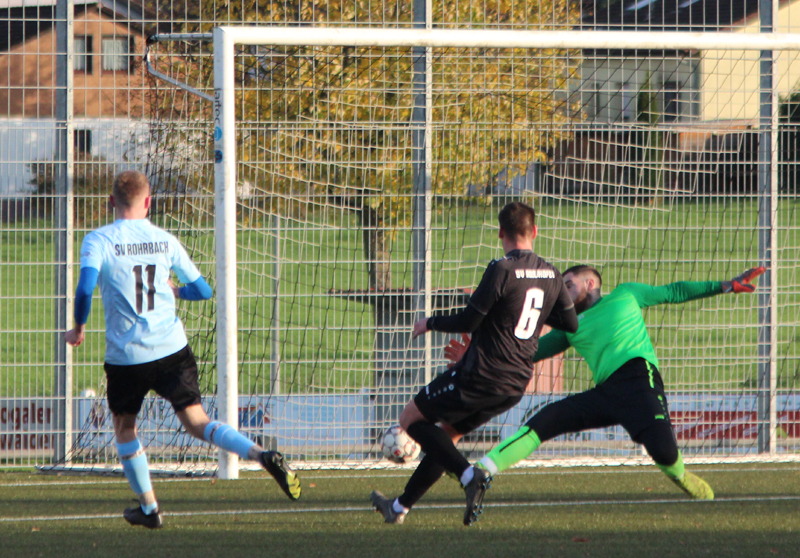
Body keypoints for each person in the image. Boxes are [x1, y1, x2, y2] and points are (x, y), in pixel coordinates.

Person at [65, 170, 301, 529]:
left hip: (128, 357)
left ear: (111, 202)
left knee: (125, 428)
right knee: (198, 421)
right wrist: (176, 291)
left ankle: (149, 509)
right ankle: (260, 454)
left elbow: (84, 289)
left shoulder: (98, 240)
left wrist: (79, 328)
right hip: (172, 349)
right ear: (148, 202)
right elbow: (203, 290)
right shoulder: (165, 240)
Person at [446, 264, 765, 510]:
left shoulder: (626, 294)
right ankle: (482, 471)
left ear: (590, 284)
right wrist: (474, 356)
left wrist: (726, 285)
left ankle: (683, 478)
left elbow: (674, 291)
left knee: (665, 453)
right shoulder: (569, 327)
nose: (563, 292)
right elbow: (526, 353)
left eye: (568, 285)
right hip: (605, 392)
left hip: (639, 381)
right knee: (544, 420)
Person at [370, 201, 579, 527]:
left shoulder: (502, 269)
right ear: (535, 231)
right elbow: (571, 324)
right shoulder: (551, 273)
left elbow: (469, 320)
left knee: (410, 419)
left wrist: (431, 322)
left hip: (481, 374)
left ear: (500, 232)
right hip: (514, 385)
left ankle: (470, 476)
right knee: (447, 437)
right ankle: (398, 507)